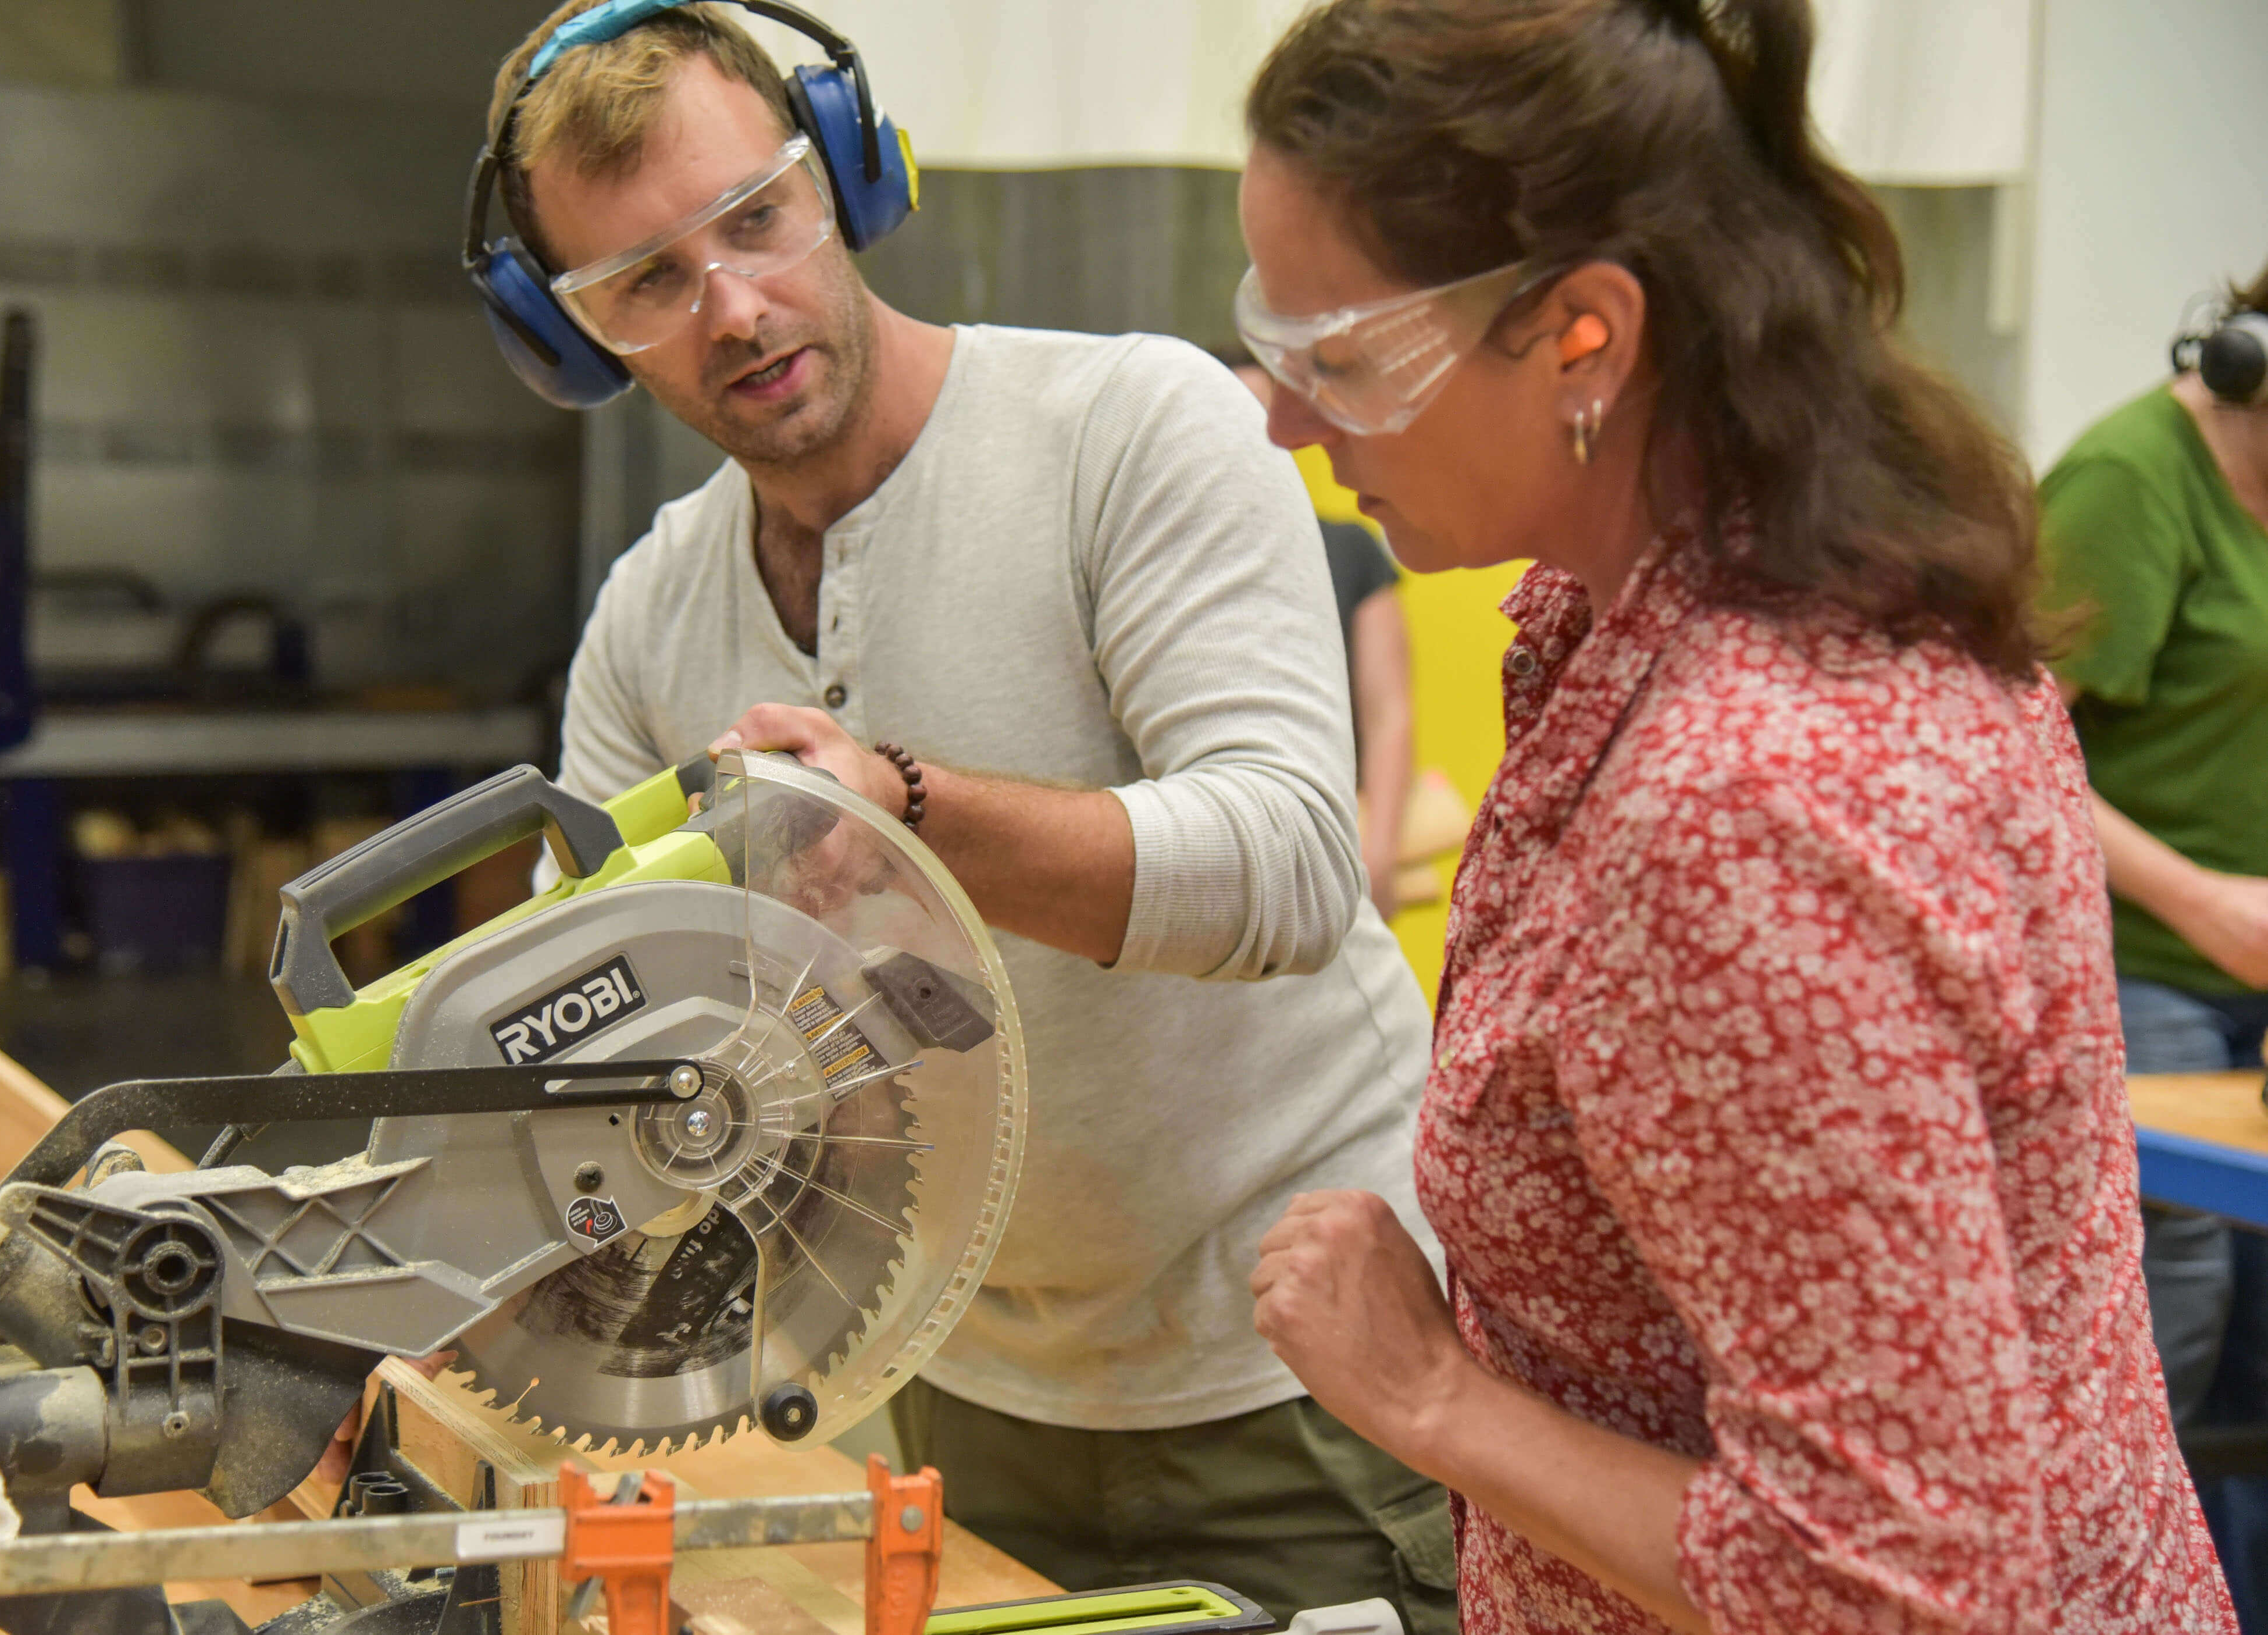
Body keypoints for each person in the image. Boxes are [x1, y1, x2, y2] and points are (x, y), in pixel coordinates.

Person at [1232, 0, 2234, 1630]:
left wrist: (1430, 1396)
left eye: (1338, 359)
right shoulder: (1724, 585)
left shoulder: (1749, 807)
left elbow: (1902, 1580)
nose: (1285, 420)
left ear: (1584, 335)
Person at [480, 3, 1454, 1625]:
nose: (732, 306)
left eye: (756, 221)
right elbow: (577, 1018)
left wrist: (906, 817)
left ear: (843, 181)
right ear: (577, 338)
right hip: (964, 1401)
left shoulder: (1132, 433)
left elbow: (1290, 863)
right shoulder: (653, 617)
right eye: (648, 280)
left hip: (1312, 1380)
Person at [2039, 258, 2268, 1624]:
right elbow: (2007, 737)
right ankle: (2107, 1586)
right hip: (2141, 957)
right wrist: (2198, 895)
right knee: (2174, 1269)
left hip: (2246, 968)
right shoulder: (2129, 478)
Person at [1227, 352, 1417, 920]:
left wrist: (1378, 853)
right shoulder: (1165, 559)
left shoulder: (1348, 549)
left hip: (1330, 852)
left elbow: (1388, 714)